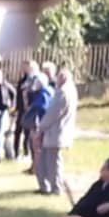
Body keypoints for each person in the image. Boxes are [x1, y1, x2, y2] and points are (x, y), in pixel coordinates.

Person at [35, 62, 77, 195]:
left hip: (55, 132)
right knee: (47, 161)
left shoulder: (63, 93)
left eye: (58, 77)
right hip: (58, 131)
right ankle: (47, 186)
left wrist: (40, 128)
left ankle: (55, 187)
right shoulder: (71, 91)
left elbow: (52, 113)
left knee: (53, 163)